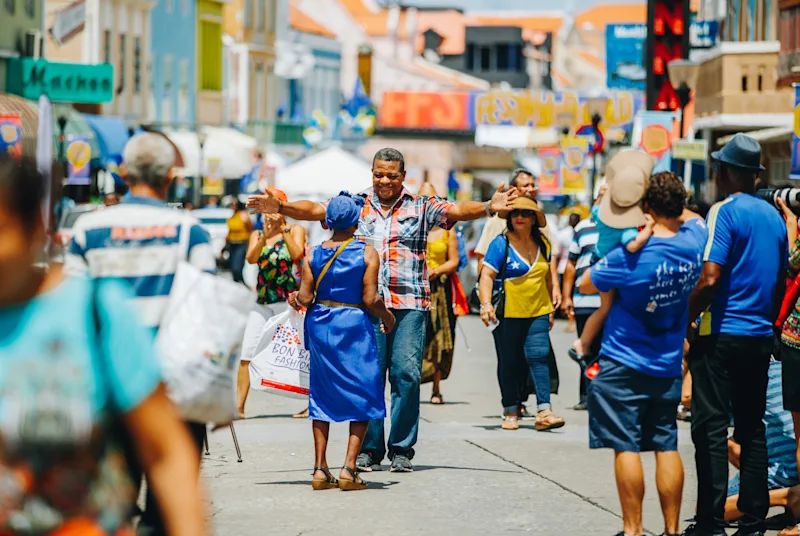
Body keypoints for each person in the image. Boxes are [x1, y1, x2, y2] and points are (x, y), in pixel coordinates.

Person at [246, 147, 516, 473]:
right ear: (372, 173)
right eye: (378, 174)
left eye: (391, 175)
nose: (384, 180)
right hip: (368, 308)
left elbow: (457, 209)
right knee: (370, 377)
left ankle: (401, 449)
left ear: (403, 176)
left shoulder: (421, 205)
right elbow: (316, 210)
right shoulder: (356, 204)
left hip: (410, 305)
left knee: (406, 375)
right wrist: (283, 207)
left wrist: (488, 207)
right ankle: (369, 450)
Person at [0, 155, 206, 534]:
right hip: (171, 365)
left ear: (34, 228)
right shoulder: (189, 228)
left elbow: (166, 451)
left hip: (130, 375)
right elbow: (206, 297)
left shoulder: (93, 302)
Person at [65, 132, 217, 535]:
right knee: (168, 509)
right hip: (174, 389)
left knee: (111, 505)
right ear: (170, 176)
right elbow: (207, 309)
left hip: (109, 387)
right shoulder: (190, 231)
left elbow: (71, 309)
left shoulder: (87, 231)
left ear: (122, 173)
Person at [580, 171, 707, 536]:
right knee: (665, 443)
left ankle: (633, 530)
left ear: (646, 208)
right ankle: (670, 531)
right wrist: (668, 213)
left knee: (626, 446)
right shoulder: (693, 243)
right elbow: (695, 220)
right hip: (667, 364)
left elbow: (589, 281)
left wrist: (638, 238)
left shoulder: (632, 255)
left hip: (623, 361)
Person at [685, 134, 788, 536]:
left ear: (726, 172)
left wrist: (685, 317)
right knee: (752, 426)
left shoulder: (723, 213)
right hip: (759, 336)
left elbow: (710, 278)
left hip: (721, 334)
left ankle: (710, 520)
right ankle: (754, 516)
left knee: (710, 428)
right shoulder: (774, 218)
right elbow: (779, 280)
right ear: (756, 175)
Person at [288, 192, 395, 491]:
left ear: (327, 222)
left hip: (321, 325)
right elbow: (370, 299)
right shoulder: (367, 252)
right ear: (357, 220)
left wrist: (295, 298)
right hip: (354, 326)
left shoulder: (311, 253)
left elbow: (306, 297)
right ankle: (349, 468)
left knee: (321, 394)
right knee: (363, 393)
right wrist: (388, 318)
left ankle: (320, 469)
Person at [473, 167, 561, 420]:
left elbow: (547, 273)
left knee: (539, 357)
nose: (520, 217)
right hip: (508, 311)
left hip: (539, 310)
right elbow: (486, 274)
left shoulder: (543, 242)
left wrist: (554, 299)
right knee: (510, 361)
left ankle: (545, 410)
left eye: (526, 213)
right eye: (515, 213)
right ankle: (510, 409)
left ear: (534, 218)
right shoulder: (500, 241)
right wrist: (486, 303)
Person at [570, 151, 656, 363]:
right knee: (607, 308)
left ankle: (584, 343)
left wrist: (603, 193)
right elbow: (634, 245)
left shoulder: (601, 214)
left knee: (606, 307)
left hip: (596, 260)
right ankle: (582, 343)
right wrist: (649, 228)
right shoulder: (624, 228)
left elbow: (595, 208)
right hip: (606, 265)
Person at [238, 188, 306, 418]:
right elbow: (251, 258)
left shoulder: (295, 229)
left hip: (289, 302)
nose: (267, 214)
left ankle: (310, 404)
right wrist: (266, 236)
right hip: (263, 300)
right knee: (247, 351)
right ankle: (239, 406)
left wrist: (283, 228)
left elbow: (297, 254)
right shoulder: (258, 234)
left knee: (301, 353)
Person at [724, 361, 798, 522]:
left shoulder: (750, 373)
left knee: (713, 509)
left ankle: (786, 496)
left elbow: (687, 397)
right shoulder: (790, 368)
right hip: (792, 455)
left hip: (784, 469)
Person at [418, 182, 460, 405]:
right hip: (416, 288)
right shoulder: (411, 226)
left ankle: (436, 387)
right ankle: (411, 385)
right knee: (417, 337)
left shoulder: (447, 231)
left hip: (439, 291)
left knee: (440, 338)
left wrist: (436, 270)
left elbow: (454, 261)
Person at [561, 210, 601, 411]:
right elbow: (571, 263)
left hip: (612, 301)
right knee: (585, 350)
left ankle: (603, 396)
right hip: (585, 300)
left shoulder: (625, 226)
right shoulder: (583, 227)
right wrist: (567, 296)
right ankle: (586, 395)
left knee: (608, 350)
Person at [557, 213, 580, 332]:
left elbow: (557, 253)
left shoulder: (564, 234)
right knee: (572, 296)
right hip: (570, 269)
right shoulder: (578, 232)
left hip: (566, 269)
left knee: (570, 296)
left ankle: (572, 321)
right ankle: (572, 320)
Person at [226, 197, 253, 284]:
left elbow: (250, 229)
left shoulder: (243, 215)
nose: (232, 206)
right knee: (232, 267)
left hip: (241, 244)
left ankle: (242, 283)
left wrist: (250, 244)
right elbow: (230, 231)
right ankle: (237, 284)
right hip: (232, 244)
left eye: (234, 204)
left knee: (237, 267)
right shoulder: (232, 216)